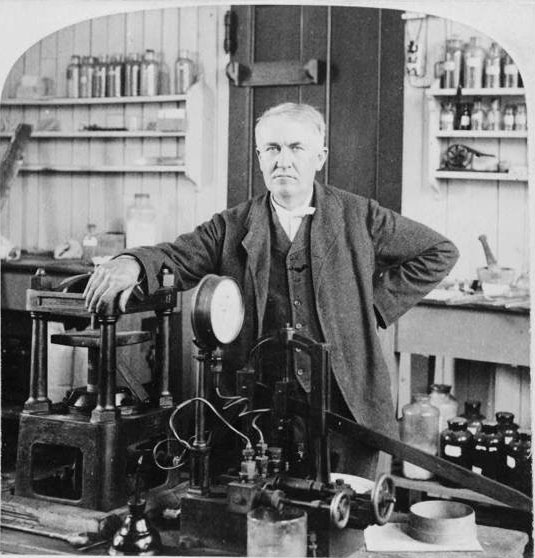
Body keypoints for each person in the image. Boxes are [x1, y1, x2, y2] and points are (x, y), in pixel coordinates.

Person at [84, 102, 459, 475]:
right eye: (273, 149)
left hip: (346, 403)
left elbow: (439, 251)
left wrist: (371, 307)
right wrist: (132, 261)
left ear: (320, 157)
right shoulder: (231, 226)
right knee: (268, 518)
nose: (284, 161)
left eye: (296, 148)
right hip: (261, 411)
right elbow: (177, 256)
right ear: (260, 157)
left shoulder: (358, 216)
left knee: (347, 517)